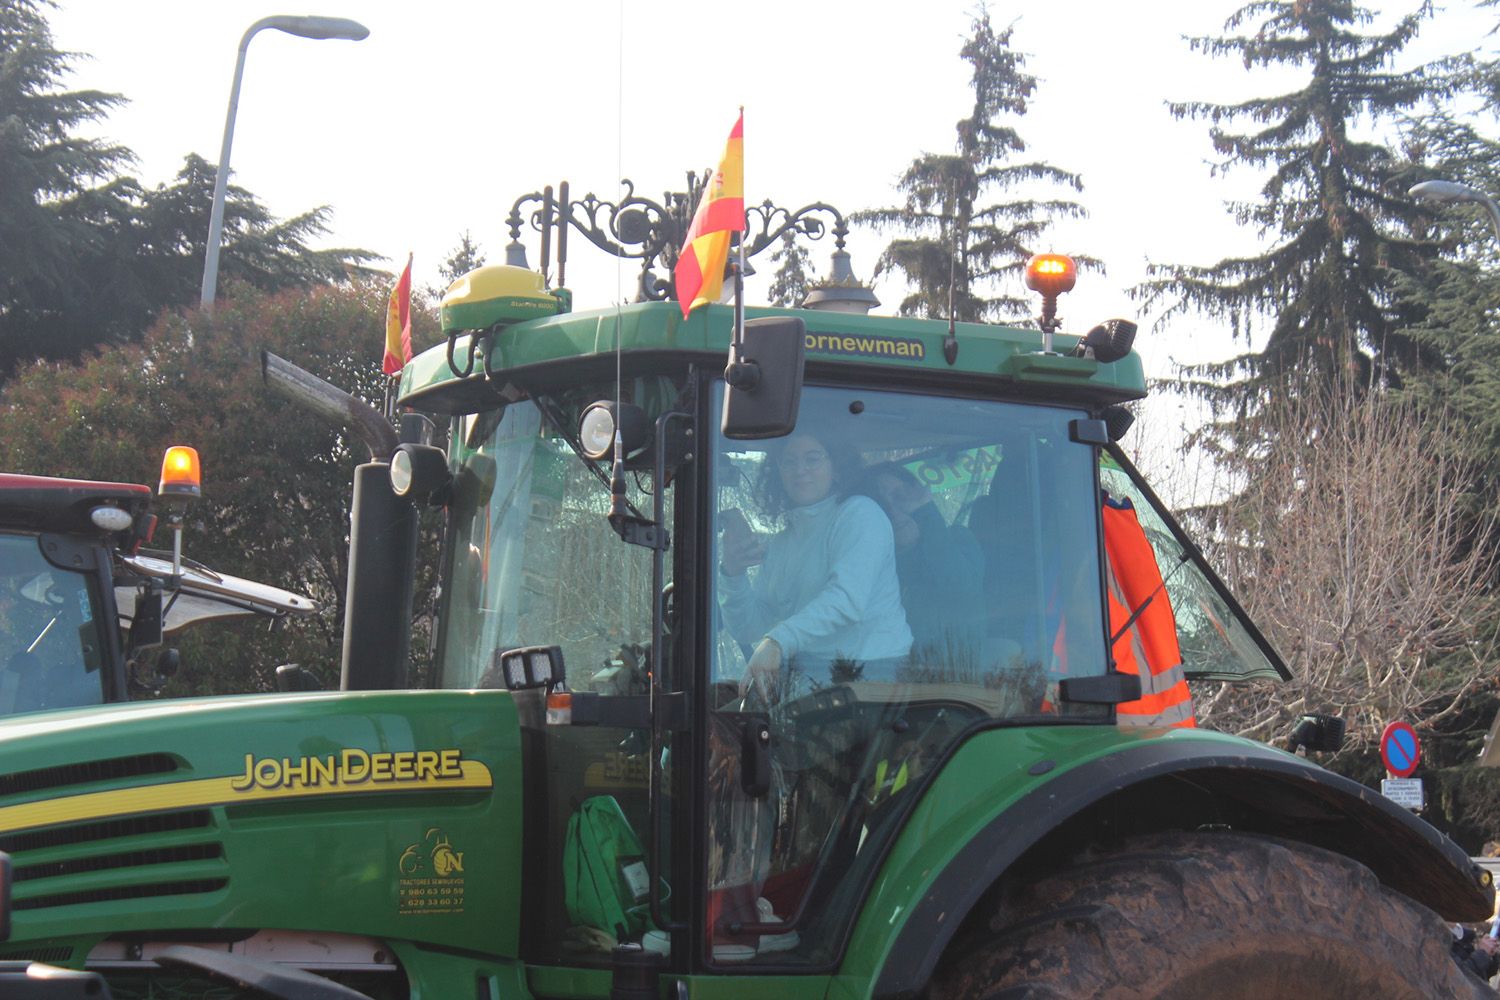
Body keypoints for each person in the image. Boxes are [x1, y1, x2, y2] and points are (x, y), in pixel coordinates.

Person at [717, 430, 912, 700]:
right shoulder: (783, 541)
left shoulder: (860, 514)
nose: (800, 470)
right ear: (778, 473)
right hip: (811, 675)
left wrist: (777, 641)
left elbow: (846, 602)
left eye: (812, 459)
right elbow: (749, 628)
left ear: (837, 466)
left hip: (872, 676)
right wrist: (733, 573)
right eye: (789, 461)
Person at [868, 463, 985, 666]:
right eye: (881, 504)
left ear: (919, 496)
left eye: (900, 496)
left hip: (957, 679)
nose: (894, 511)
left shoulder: (958, 539)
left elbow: (960, 590)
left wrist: (926, 514)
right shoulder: (869, 566)